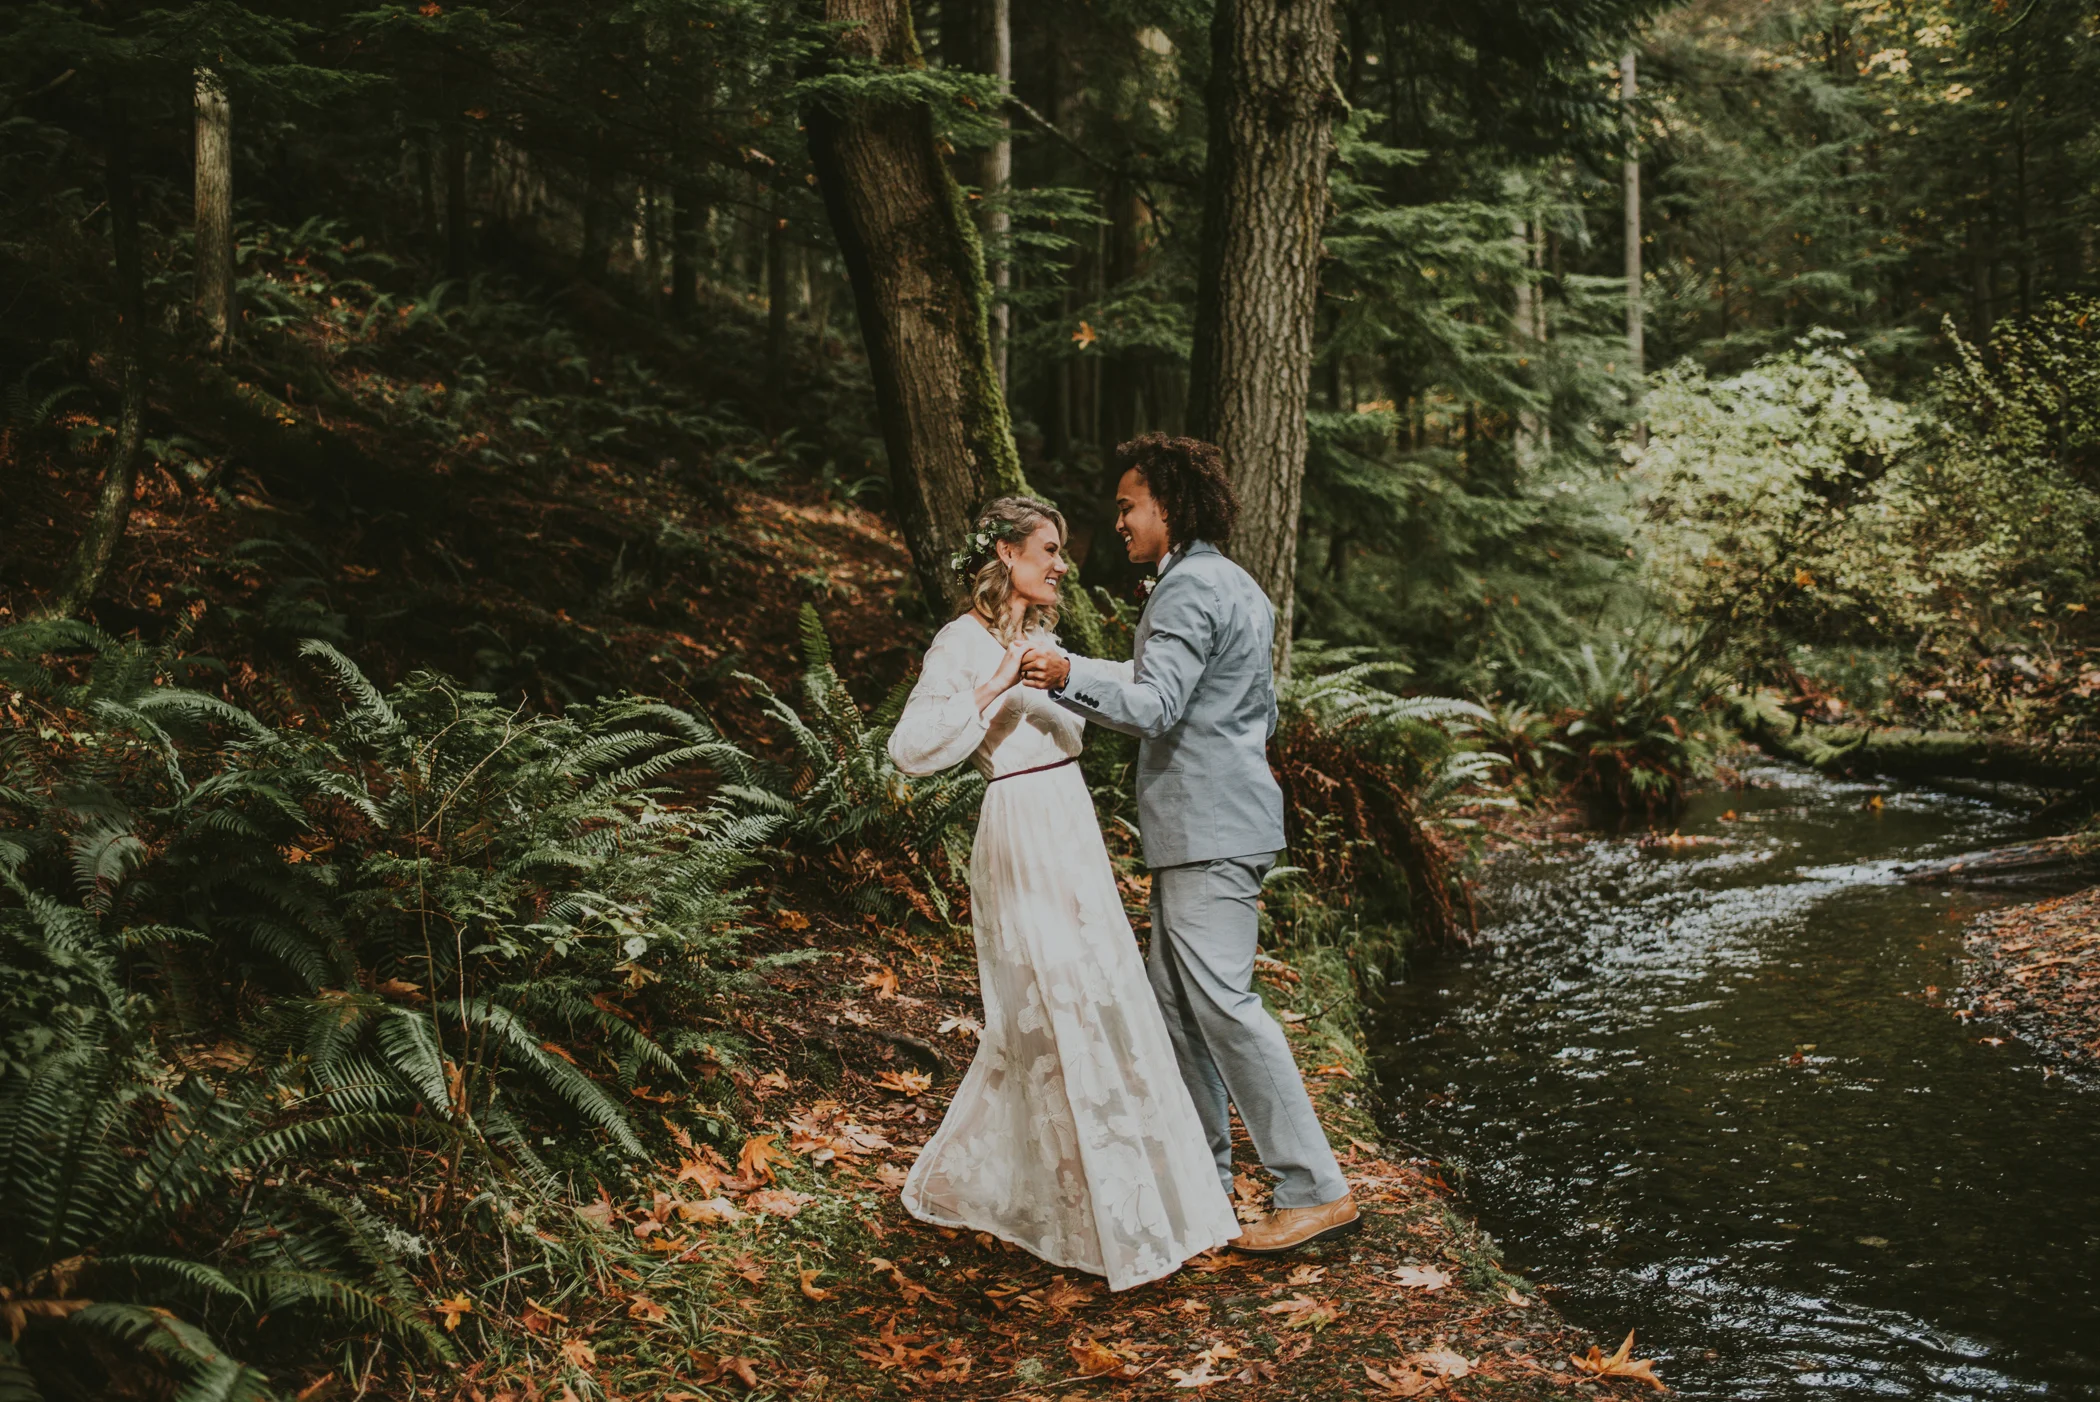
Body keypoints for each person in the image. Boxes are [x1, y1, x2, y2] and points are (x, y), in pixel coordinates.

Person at [885, 495, 1241, 1291]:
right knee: (1051, 1009)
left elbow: (1111, 708)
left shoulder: (1044, 640)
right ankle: (1077, 1210)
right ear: (1005, 555)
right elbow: (910, 749)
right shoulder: (962, 641)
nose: (1060, 563)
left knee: (1106, 997)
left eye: (1062, 550)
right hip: (1017, 828)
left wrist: (1062, 673)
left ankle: (1135, 1200)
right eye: (1048, 548)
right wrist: (993, 687)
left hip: (1071, 825)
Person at [1019, 433, 1359, 1255]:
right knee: (1180, 1012)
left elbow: (1156, 703)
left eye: (1129, 505)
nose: (1121, 520)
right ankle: (1204, 1186)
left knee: (1226, 1009)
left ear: (1168, 504)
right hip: (1207, 830)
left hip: (1210, 833)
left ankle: (1313, 1190)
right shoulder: (1236, 585)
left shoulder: (1187, 589)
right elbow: (1255, 712)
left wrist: (1064, 672)